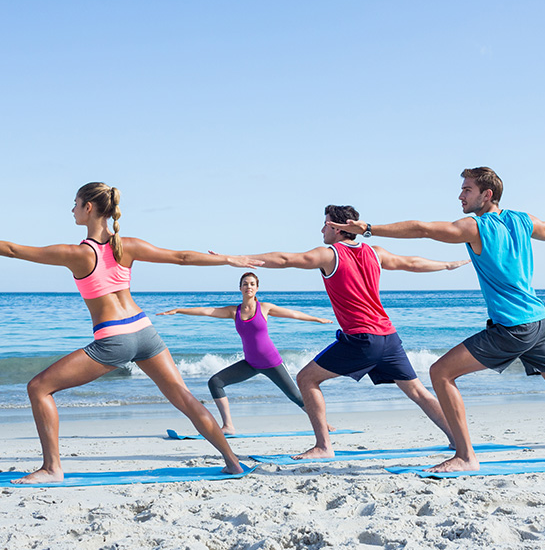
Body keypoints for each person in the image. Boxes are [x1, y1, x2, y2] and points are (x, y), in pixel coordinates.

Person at [330, 167, 545, 472]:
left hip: (513, 327)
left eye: (467, 190)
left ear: (486, 195)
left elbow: (422, 228)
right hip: (538, 321)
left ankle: (465, 456)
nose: (460, 195)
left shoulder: (475, 227)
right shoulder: (522, 220)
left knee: (441, 373)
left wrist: (368, 228)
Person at [0, 182, 262, 483]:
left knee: (38, 388)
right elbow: (182, 258)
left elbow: (12, 250)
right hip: (145, 332)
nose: (71, 209)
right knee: (185, 398)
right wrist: (229, 259)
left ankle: (52, 468)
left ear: (88, 208)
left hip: (114, 339)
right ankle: (232, 462)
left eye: (74, 203)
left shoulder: (76, 254)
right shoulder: (127, 245)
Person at [228, 205, 469, 459]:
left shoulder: (329, 255)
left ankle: (323, 446)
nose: (322, 229)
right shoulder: (375, 252)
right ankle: (456, 439)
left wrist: (240, 259)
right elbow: (411, 263)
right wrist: (446, 265)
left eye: (326, 224)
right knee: (417, 391)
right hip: (388, 337)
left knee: (306, 379)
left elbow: (286, 260)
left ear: (338, 228)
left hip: (362, 339)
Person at [158, 272, 333, 434]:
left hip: (272, 362)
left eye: (252, 284)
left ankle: (323, 424)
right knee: (215, 382)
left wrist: (317, 319)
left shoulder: (264, 308)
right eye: (245, 284)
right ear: (240, 288)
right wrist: (179, 310)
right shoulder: (234, 311)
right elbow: (206, 311)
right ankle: (228, 426)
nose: (248, 287)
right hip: (250, 363)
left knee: (295, 396)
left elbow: (293, 314)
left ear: (257, 288)